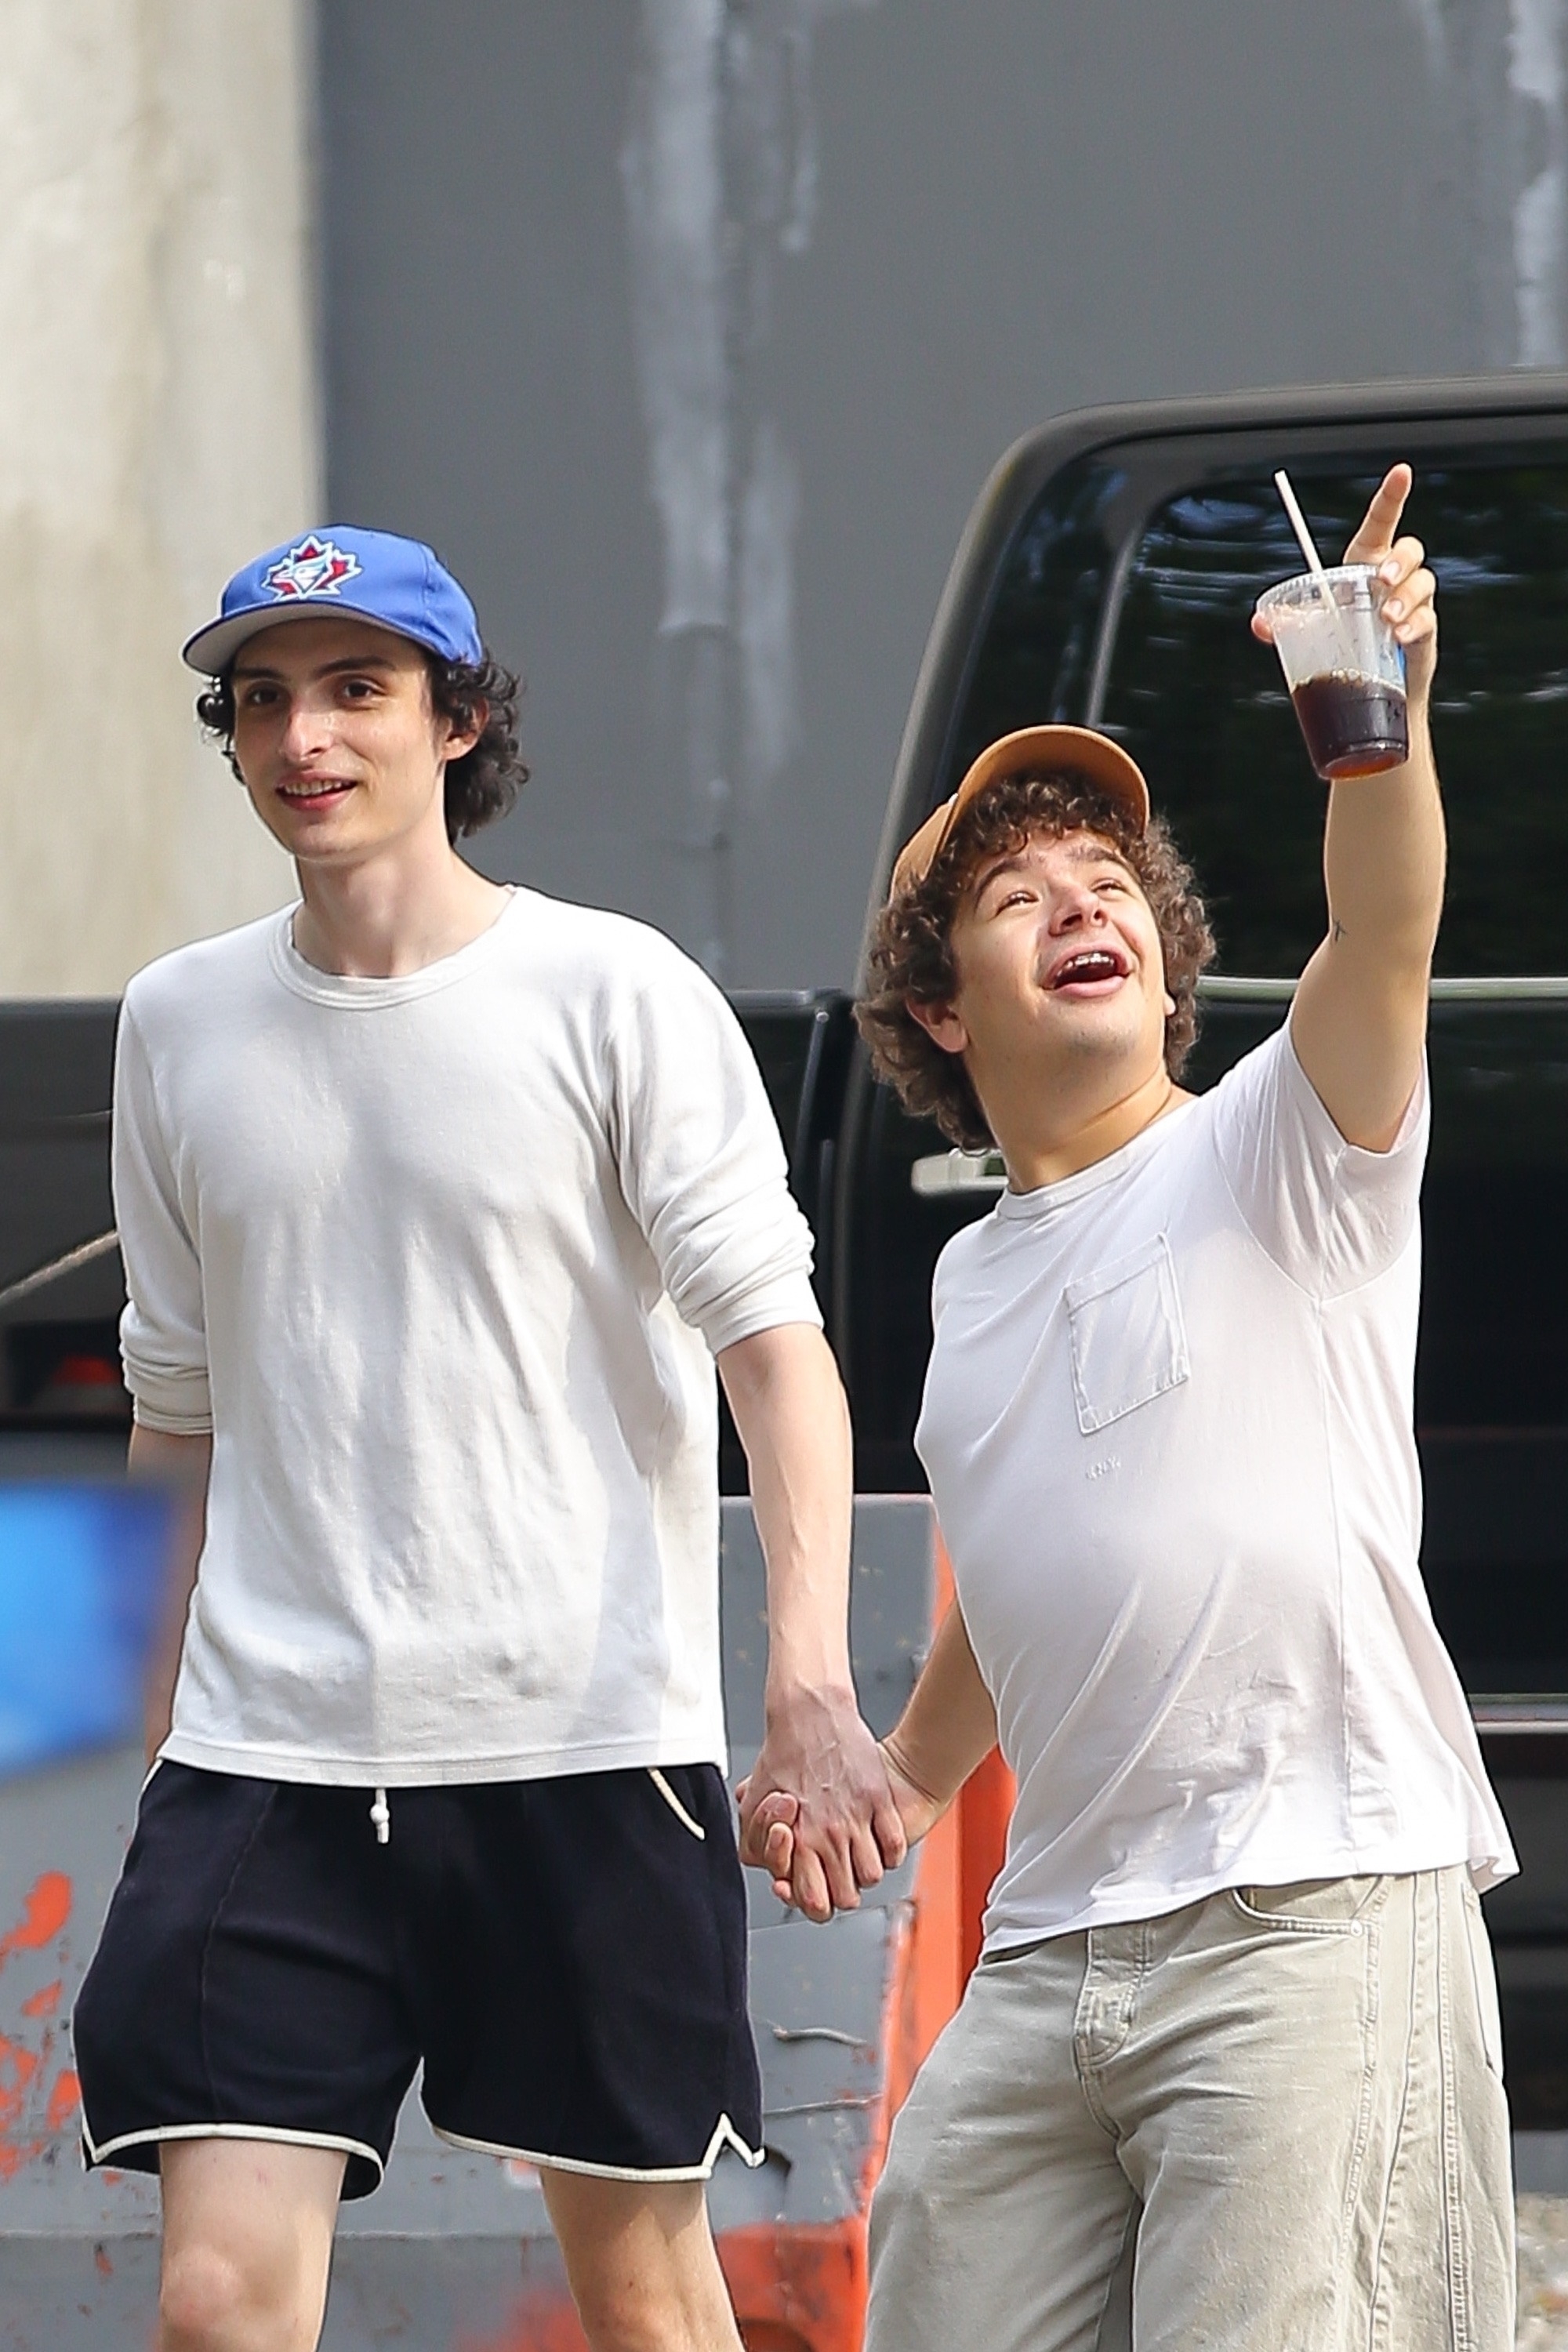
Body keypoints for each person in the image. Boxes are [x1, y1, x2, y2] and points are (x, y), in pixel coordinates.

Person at [71, 525, 902, 2352]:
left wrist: (808, 1689)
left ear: (455, 722)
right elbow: (177, 1398)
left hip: (584, 1745)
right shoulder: (178, 1022)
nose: (307, 735)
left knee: (645, 2299)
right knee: (215, 2304)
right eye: (265, 698)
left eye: (358, 688)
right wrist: (159, 1728)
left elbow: (778, 1352)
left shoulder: (615, 994)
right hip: (267, 1760)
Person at [753, 468, 1517, 2349]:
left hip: (1308, 1914)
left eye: (1109, 886)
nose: (1077, 903)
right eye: (1015, 899)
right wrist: (904, 1782)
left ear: (1169, 960)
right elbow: (1027, 1580)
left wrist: (1374, 727)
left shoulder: (1284, 1144)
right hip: (1053, 1956)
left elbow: (1387, 925)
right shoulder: (970, 1279)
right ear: (944, 1006)